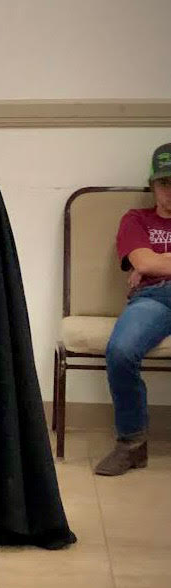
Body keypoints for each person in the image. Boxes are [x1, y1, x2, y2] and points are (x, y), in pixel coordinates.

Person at [96, 142, 171, 476]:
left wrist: (159, 262)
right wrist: (148, 265)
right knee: (121, 351)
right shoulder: (136, 219)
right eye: (165, 183)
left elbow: (150, 261)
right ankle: (132, 443)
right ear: (153, 185)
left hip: (154, 282)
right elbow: (141, 261)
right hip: (153, 299)